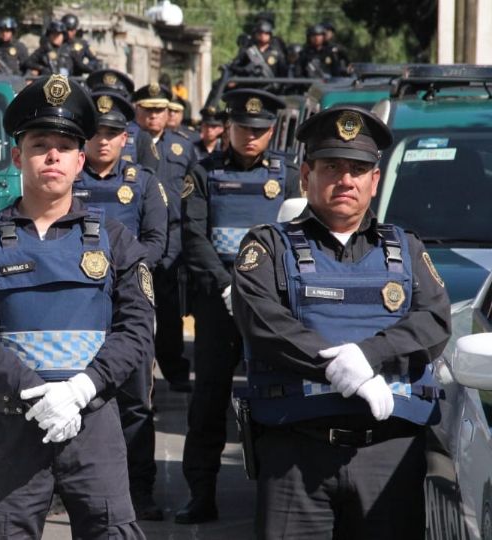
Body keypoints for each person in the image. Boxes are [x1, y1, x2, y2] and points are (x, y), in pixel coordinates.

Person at [0, 74, 152, 538]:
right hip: (12, 427)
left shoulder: (117, 242)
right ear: (18, 156)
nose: (52, 156)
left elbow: (136, 331)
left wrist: (79, 390)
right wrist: (38, 394)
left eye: (64, 145)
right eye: (41, 144)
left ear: (81, 160)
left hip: (92, 421)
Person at [232, 105, 451, 537]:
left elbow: (435, 321)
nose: (345, 180)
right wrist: (339, 367)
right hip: (297, 455)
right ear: (306, 175)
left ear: (375, 180)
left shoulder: (406, 247)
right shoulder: (267, 246)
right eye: (332, 166)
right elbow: (262, 321)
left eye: (358, 169)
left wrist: (368, 356)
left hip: (388, 457)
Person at [177, 88, 300, 524]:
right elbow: (194, 236)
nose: (252, 137)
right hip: (219, 304)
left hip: (270, 304)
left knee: (278, 394)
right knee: (208, 398)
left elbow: (298, 236)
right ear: (228, 127)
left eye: (261, 131)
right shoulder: (204, 172)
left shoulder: (286, 173)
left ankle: (276, 497)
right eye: (244, 129)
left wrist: (262, 291)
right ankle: (200, 494)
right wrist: (229, 288)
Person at [73, 89, 168, 520]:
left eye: (113, 133)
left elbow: (157, 244)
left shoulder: (144, 183)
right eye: (96, 133)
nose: (104, 141)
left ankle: (140, 492)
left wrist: (115, 271)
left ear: (125, 138)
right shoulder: (69, 184)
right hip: (78, 307)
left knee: (135, 403)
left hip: (128, 307)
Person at [133, 82, 194, 393]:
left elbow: (193, 193)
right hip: (134, 232)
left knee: (168, 307)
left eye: (160, 110)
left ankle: (173, 366)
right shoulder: (125, 142)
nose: (154, 116)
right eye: (148, 110)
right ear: (137, 110)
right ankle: (135, 369)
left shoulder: (182, 146)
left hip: (171, 235)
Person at [86, 70, 160, 172]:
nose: (108, 104)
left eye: (117, 99)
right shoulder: (81, 132)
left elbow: (148, 174)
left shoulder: (140, 136)